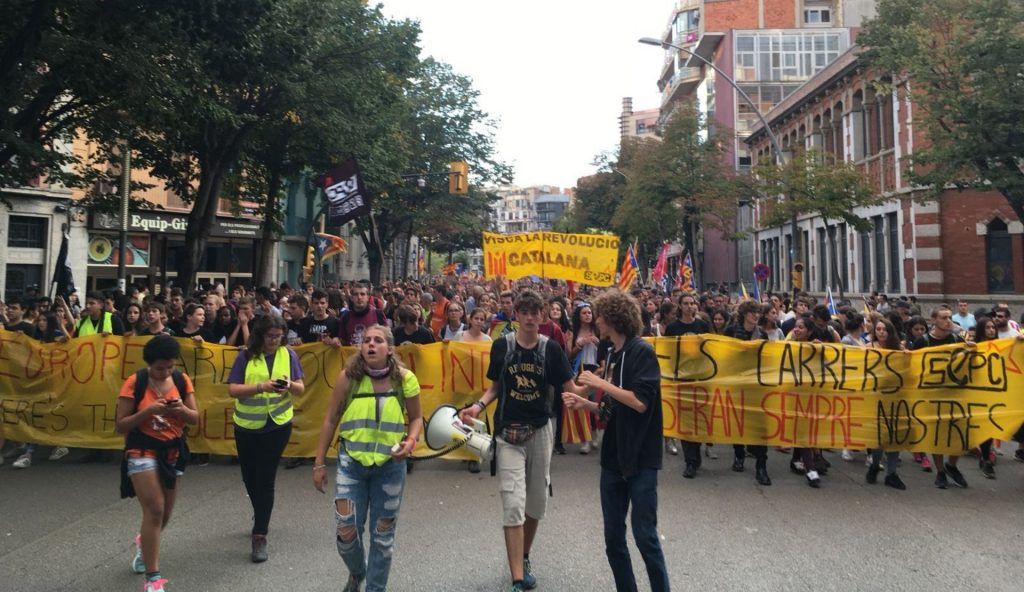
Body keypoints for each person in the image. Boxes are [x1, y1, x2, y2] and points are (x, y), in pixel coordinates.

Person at [458, 289, 584, 592]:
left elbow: (572, 389)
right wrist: (477, 406)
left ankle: (524, 556)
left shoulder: (551, 349)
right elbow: (495, 387)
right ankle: (517, 578)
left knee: (536, 504)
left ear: (542, 316)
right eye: (524, 312)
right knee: (513, 504)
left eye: (534, 312)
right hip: (508, 434)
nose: (529, 317)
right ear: (516, 315)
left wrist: (598, 383)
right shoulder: (502, 346)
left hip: (541, 430)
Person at [563, 290, 670, 592]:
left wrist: (600, 382)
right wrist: (587, 404)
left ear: (612, 317)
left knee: (645, 536)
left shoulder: (642, 352)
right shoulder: (611, 353)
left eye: (599, 315)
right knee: (613, 538)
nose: (596, 321)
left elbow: (640, 402)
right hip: (613, 457)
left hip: (641, 456)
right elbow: (611, 409)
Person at [313, 324, 422, 592]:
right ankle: (358, 571)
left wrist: (410, 442)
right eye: (366, 340)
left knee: (382, 537)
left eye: (378, 340)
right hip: (351, 466)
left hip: (390, 468)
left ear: (390, 349)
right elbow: (330, 420)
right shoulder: (347, 378)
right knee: (346, 533)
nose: (371, 344)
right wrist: (318, 463)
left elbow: (416, 418)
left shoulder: (405, 379)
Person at [116, 335, 199, 592]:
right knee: (154, 510)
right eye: (160, 368)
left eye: (170, 367)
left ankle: (144, 545)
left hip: (172, 451)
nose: (165, 372)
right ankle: (153, 579)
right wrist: (149, 411)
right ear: (149, 364)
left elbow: (195, 418)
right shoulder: (135, 382)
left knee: (165, 514)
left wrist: (181, 410)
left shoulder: (181, 380)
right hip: (141, 449)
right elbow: (121, 425)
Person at [227, 314, 305, 562]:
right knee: (249, 477)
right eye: (270, 336)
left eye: (279, 336)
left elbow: (301, 388)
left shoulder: (288, 355)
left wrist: (289, 385)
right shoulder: (245, 357)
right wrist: (261, 386)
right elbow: (233, 389)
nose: (274, 340)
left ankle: (260, 533)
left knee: (266, 478)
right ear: (260, 335)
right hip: (247, 426)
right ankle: (260, 511)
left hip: (278, 425)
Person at [909, 305, 970, 489]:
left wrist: (972, 350)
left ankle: (951, 465)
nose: (948, 321)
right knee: (937, 436)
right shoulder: (923, 342)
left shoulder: (956, 339)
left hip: (955, 395)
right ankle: (941, 471)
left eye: (949, 317)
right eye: (943, 317)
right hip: (932, 396)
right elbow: (912, 366)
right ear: (933, 320)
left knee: (961, 435)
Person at [724, 300, 772, 486]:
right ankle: (739, 454)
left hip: (756, 385)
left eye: (758, 312)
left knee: (760, 425)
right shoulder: (731, 332)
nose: (756, 315)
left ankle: (762, 466)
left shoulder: (762, 335)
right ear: (744, 314)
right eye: (752, 312)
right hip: (737, 384)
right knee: (738, 421)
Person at [664, 294, 710, 473]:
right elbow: (668, 351)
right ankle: (690, 461)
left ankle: (696, 452)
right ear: (680, 306)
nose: (690, 306)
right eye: (686, 303)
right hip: (681, 378)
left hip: (700, 377)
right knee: (685, 419)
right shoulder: (673, 328)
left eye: (692, 303)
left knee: (698, 418)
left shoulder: (702, 326)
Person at [864, 318, 907, 490]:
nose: (881, 332)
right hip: (875, 397)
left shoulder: (900, 349)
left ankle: (891, 473)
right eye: (878, 329)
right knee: (879, 437)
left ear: (890, 331)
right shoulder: (868, 347)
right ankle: (875, 465)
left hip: (896, 397)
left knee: (894, 436)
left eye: (884, 329)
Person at [335, 282, 389, 346]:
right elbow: (342, 340)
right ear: (351, 298)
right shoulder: (345, 316)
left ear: (368, 297)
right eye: (356, 294)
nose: (359, 297)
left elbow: (388, 338)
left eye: (362, 294)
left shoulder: (378, 314)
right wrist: (336, 341)